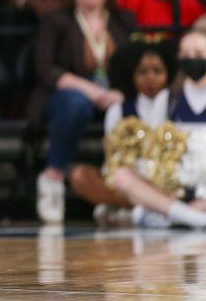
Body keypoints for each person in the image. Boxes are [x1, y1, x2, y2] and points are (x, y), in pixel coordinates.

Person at [31, 0, 135, 224]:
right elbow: (45, 69)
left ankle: (124, 190)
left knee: (135, 106)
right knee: (76, 103)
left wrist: (121, 92)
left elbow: (136, 65)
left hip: (114, 95)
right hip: (66, 93)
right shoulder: (55, 20)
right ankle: (53, 177)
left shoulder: (123, 20)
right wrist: (89, 89)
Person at [68, 41, 176, 226]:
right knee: (79, 176)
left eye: (157, 71)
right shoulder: (118, 110)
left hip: (167, 181)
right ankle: (145, 209)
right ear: (131, 75)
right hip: (129, 181)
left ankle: (130, 209)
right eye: (142, 72)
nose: (150, 78)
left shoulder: (175, 104)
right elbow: (112, 158)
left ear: (168, 73)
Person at [110, 31, 206, 229]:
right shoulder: (168, 98)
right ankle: (192, 217)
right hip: (178, 186)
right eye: (186, 54)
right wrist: (165, 184)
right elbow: (152, 149)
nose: (192, 59)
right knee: (122, 176)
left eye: (198, 53)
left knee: (141, 214)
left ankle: (172, 215)